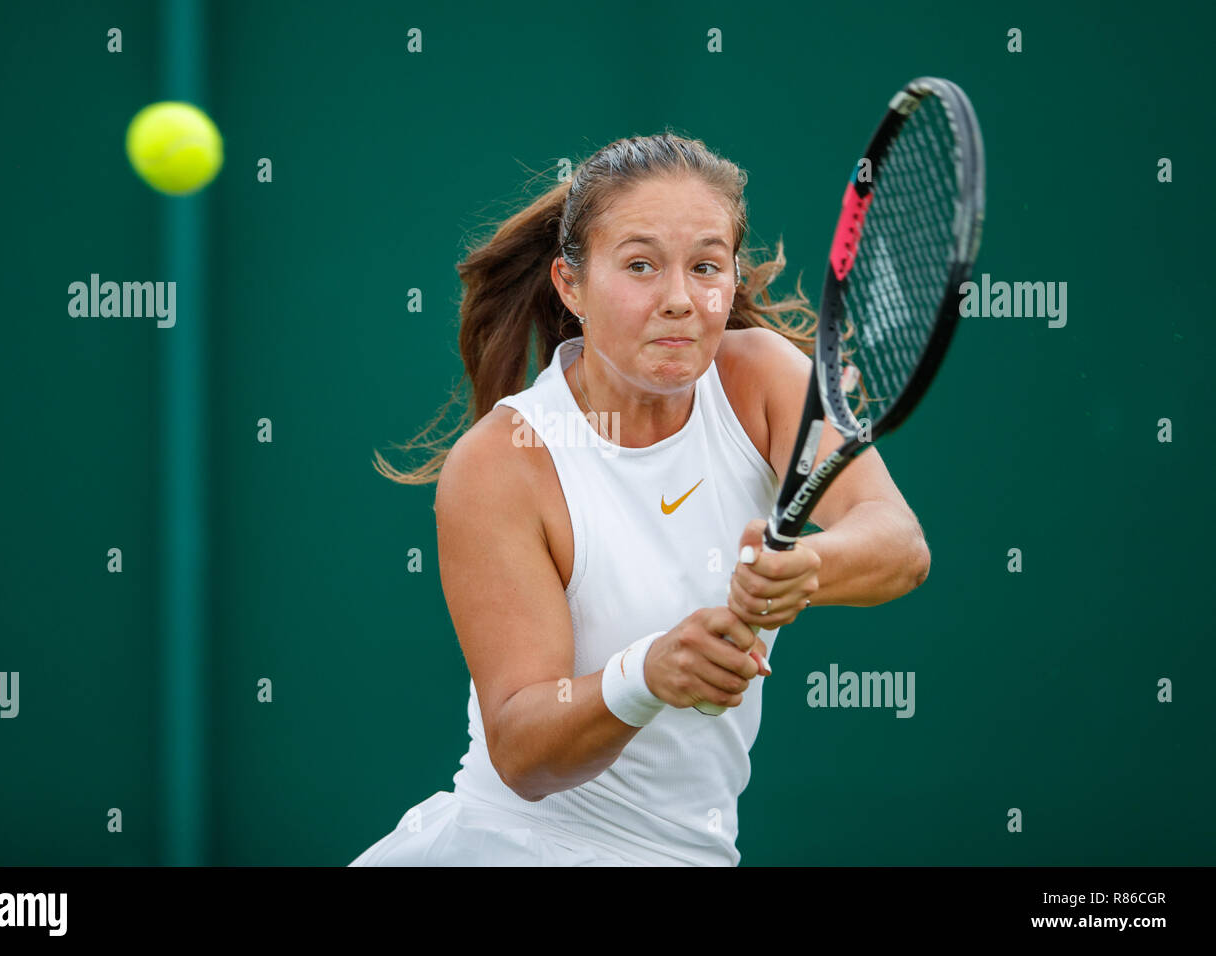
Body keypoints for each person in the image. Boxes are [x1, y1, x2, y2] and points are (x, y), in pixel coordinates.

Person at [352, 132, 930, 866]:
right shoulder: (503, 463)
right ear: (571, 284)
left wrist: (803, 569)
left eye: (706, 267)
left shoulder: (764, 380)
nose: (680, 301)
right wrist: (647, 675)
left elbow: (899, 545)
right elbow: (523, 752)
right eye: (639, 266)